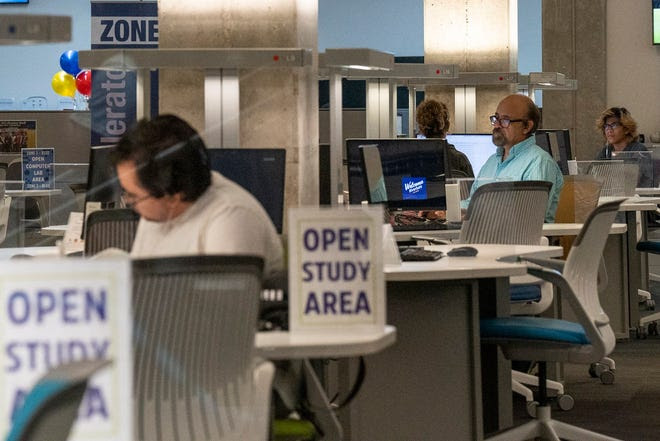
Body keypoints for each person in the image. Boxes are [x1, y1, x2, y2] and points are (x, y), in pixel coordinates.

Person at [111, 114, 284, 278]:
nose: (128, 201)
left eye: (133, 196)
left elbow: (221, 306)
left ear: (173, 196)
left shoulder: (231, 218)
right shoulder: (157, 212)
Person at [461, 94, 564, 222]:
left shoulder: (539, 163)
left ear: (527, 126)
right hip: (483, 236)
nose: (497, 125)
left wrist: (477, 214)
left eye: (505, 120)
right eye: (496, 118)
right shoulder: (491, 162)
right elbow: (471, 202)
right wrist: (446, 212)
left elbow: (528, 215)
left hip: (517, 240)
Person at [416, 99, 475, 178]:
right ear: (447, 126)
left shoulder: (412, 161)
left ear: (421, 128)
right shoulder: (460, 160)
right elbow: (471, 189)